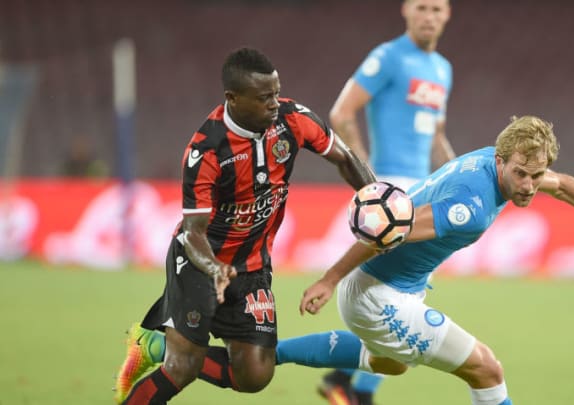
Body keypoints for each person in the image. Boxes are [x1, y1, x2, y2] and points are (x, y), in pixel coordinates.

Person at [273, 115, 574, 405]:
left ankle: (269, 351)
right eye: (522, 175)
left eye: (537, 176)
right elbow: (386, 230)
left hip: (394, 289)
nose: (530, 186)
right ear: (501, 161)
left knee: (389, 364)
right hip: (380, 297)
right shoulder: (471, 205)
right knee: (487, 369)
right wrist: (329, 279)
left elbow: (565, 186)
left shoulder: (496, 158)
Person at [112, 47, 376, 404]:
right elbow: (194, 234)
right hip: (199, 263)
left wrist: (376, 198)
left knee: (254, 374)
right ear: (232, 98)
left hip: (253, 266)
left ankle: (155, 345)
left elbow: (344, 158)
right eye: (264, 97)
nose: (274, 103)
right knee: (183, 367)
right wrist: (215, 268)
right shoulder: (206, 150)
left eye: (276, 93)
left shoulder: (293, 118)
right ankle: (170, 355)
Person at [323, 0, 454, 401]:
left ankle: (342, 381)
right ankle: (356, 390)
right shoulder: (389, 56)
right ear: (406, 11)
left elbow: (435, 136)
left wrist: (458, 177)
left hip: (424, 189)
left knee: (393, 296)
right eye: (422, 7)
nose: (429, 15)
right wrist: (370, 182)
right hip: (392, 192)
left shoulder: (443, 69)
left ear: (447, 14)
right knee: (398, 298)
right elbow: (341, 113)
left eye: (437, 8)